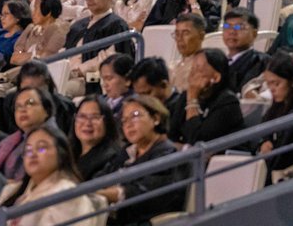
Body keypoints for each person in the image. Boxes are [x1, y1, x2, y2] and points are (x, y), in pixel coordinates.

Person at [0, 123, 96, 226]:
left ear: (61, 154)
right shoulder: (12, 190)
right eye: (28, 150)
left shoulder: (67, 194)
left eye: (41, 148)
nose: (33, 154)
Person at [96, 95, 188, 223]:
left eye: (135, 115)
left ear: (156, 118)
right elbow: (102, 177)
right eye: (124, 120)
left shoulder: (169, 154)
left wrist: (99, 195)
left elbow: (144, 193)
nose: (128, 124)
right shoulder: (128, 152)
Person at [168, 49, 245, 145]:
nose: (191, 75)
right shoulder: (185, 96)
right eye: (192, 69)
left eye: (198, 69)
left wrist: (192, 100)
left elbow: (198, 141)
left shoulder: (228, 102)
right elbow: (171, 135)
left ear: (216, 77)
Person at [71, 96, 126, 182]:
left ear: (107, 122)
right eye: (82, 116)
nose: (87, 123)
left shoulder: (112, 159)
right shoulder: (67, 152)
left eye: (95, 117)